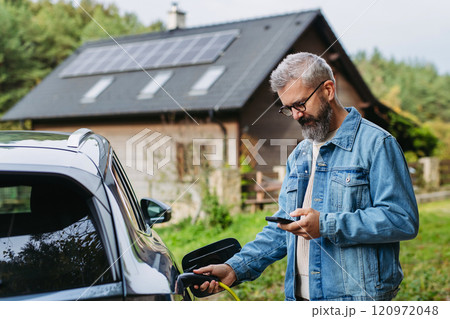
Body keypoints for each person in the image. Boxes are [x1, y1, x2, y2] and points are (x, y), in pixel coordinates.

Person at [194, 52, 419, 301]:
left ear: (328, 90)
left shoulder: (377, 144)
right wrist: (234, 268)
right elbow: (283, 228)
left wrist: (326, 224)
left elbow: (402, 219)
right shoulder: (300, 154)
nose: (296, 115)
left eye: (300, 104)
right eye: (288, 108)